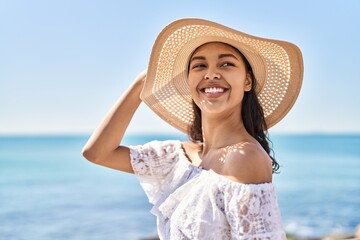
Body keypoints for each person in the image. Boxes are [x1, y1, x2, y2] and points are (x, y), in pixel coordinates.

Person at [82, 18, 303, 239]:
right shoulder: (177, 159)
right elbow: (97, 153)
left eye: (226, 64)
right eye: (199, 65)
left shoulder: (244, 158)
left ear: (247, 81)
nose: (211, 74)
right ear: (188, 81)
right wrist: (141, 83)